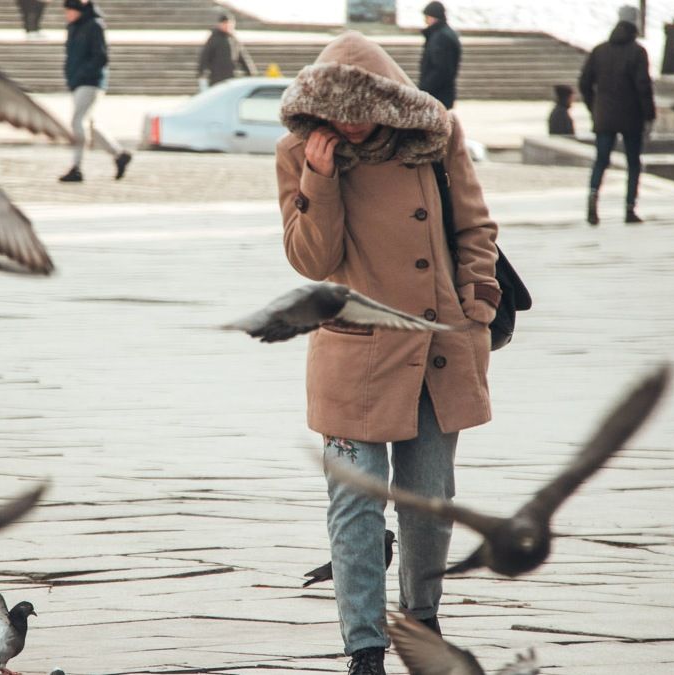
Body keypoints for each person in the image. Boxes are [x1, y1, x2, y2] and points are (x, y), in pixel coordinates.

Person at [275, 30, 499, 675]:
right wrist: (319, 180)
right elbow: (311, 259)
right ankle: (365, 647)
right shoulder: (298, 153)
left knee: (428, 500)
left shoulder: (435, 137)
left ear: (389, 102)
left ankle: (422, 619)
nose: (349, 123)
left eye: (362, 110)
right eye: (337, 111)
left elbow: (474, 226)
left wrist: (478, 299)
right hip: (355, 353)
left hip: (437, 346)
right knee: (355, 504)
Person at [579, 5, 655, 225]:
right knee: (633, 163)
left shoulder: (600, 50)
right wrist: (649, 115)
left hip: (604, 115)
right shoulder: (637, 52)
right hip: (632, 116)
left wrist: (594, 107)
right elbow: (643, 86)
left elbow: (584, 83)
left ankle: (593, 196)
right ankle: (630, 208)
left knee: (601, 160)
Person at [59, 0, 131, 183]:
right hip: (77, 81)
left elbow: (101, 56)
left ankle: (77, 167)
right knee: (90, 124)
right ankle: (119, 154)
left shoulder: (94, 25)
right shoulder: (73, 27)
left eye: (70, 10)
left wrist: (83, 73)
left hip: (90, 82)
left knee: (77, 121)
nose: (67, 14)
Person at [417, 1, 461, 109]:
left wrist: (424, 89)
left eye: (427, 17)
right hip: (443, 93)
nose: (425, 21)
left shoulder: (440, 37)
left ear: (433, 17)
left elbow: (441, 69)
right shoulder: (444, 34)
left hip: (437, 95)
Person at [198, 14, 257, 88]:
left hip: (231, 77)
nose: (228, 26)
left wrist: (251, 73)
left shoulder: (233, 40)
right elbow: (205, 56)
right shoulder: (214, 38)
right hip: (216, 78)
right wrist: (202, 73)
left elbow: (243, 58)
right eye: (225, 23)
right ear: (220, 24)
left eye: (230, 24)